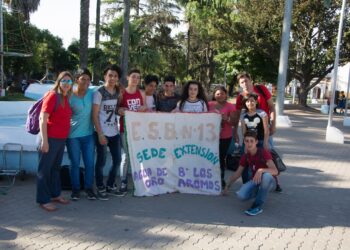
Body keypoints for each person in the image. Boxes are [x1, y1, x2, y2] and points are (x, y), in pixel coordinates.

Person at [36, 71, 73, 212]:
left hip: (60, 139)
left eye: (69, 81)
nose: (66, 84)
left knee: (55, 169)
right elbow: (42, 119)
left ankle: (55, 194)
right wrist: (45, 141)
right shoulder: (52, 96)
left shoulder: (65, 97)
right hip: (49, 139)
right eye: (64, 80)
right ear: (58, 81)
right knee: (44, 171)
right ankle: (43, 200)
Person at [223, 130, 278, 216]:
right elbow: (237, 173)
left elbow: (275, 171)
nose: (249, 143)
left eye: (251, 141)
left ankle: (257, 206)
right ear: (244, 142)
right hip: (256, 181)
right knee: (241, 196)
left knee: (266, 176)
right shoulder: (246, 156)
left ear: (256, 142)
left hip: (270, 182)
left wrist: (261, 170)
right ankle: (260, 193)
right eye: (247, 141)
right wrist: (227, 186)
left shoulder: (263, 153)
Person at [93, 64, 123, 200]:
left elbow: (114, 109)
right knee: (101, 161)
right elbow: (94, 115)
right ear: (105, 76)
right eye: (110, 75)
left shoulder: (117, 91)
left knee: (117, 160)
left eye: (115, 76)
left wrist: (119, 111)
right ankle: (100, 186)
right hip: (102, 133)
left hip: (114, 132)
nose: (112, 78)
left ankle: (110, 184)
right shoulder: (99, 92)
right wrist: (100, 134)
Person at [66, 68, 97, 201]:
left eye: (88, 79)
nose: (86, 81)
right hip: (72, 137)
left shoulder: (93, 93)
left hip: (89, 135)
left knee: (90, 163)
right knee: (75, 163)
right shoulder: (69, 96)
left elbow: (111, 88)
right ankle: (76, 190)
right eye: (83, 78)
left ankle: (89, 188)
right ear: (76, 79)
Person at [117, 69, 147, 194]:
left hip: (139, 129)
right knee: (126, 156)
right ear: (128, 77)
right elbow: (117, 108)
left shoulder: (141, 93)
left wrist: (143, 108)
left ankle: (141, 180)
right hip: (125, 129)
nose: (135, 79)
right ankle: (123, 181)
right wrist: (120, 110)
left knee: (141, 154)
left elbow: (145, 107)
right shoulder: (122, 93)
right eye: (133, 76)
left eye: (138, 77)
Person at [208, 86, 238, 188]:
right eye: (217, 94)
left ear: (226, 95)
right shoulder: (209, 105)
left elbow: (234, 122)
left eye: (222, 93)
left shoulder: (230, 106)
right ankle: (209, 178)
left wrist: (226, 119)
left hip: (225, 136)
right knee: (209, 157)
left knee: (221, 157)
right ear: (214, 95)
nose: (220, 95)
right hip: (209, 137)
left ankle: (220, 178)